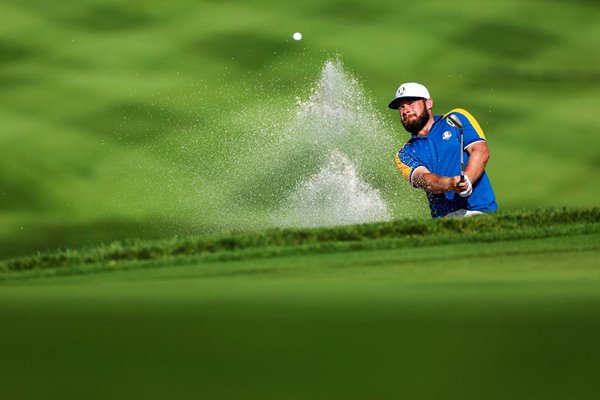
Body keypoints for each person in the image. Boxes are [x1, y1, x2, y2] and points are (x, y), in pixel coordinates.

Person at [389, 82, 498, 218]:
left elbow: (480, 152)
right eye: (401, 107)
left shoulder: (455, 119)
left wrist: (467, 180)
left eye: (410, 103)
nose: (405, 111)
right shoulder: (405, 154)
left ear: (428, 103)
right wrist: (451, 184)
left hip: (480, 211)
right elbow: (424, 180)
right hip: (444, 220)